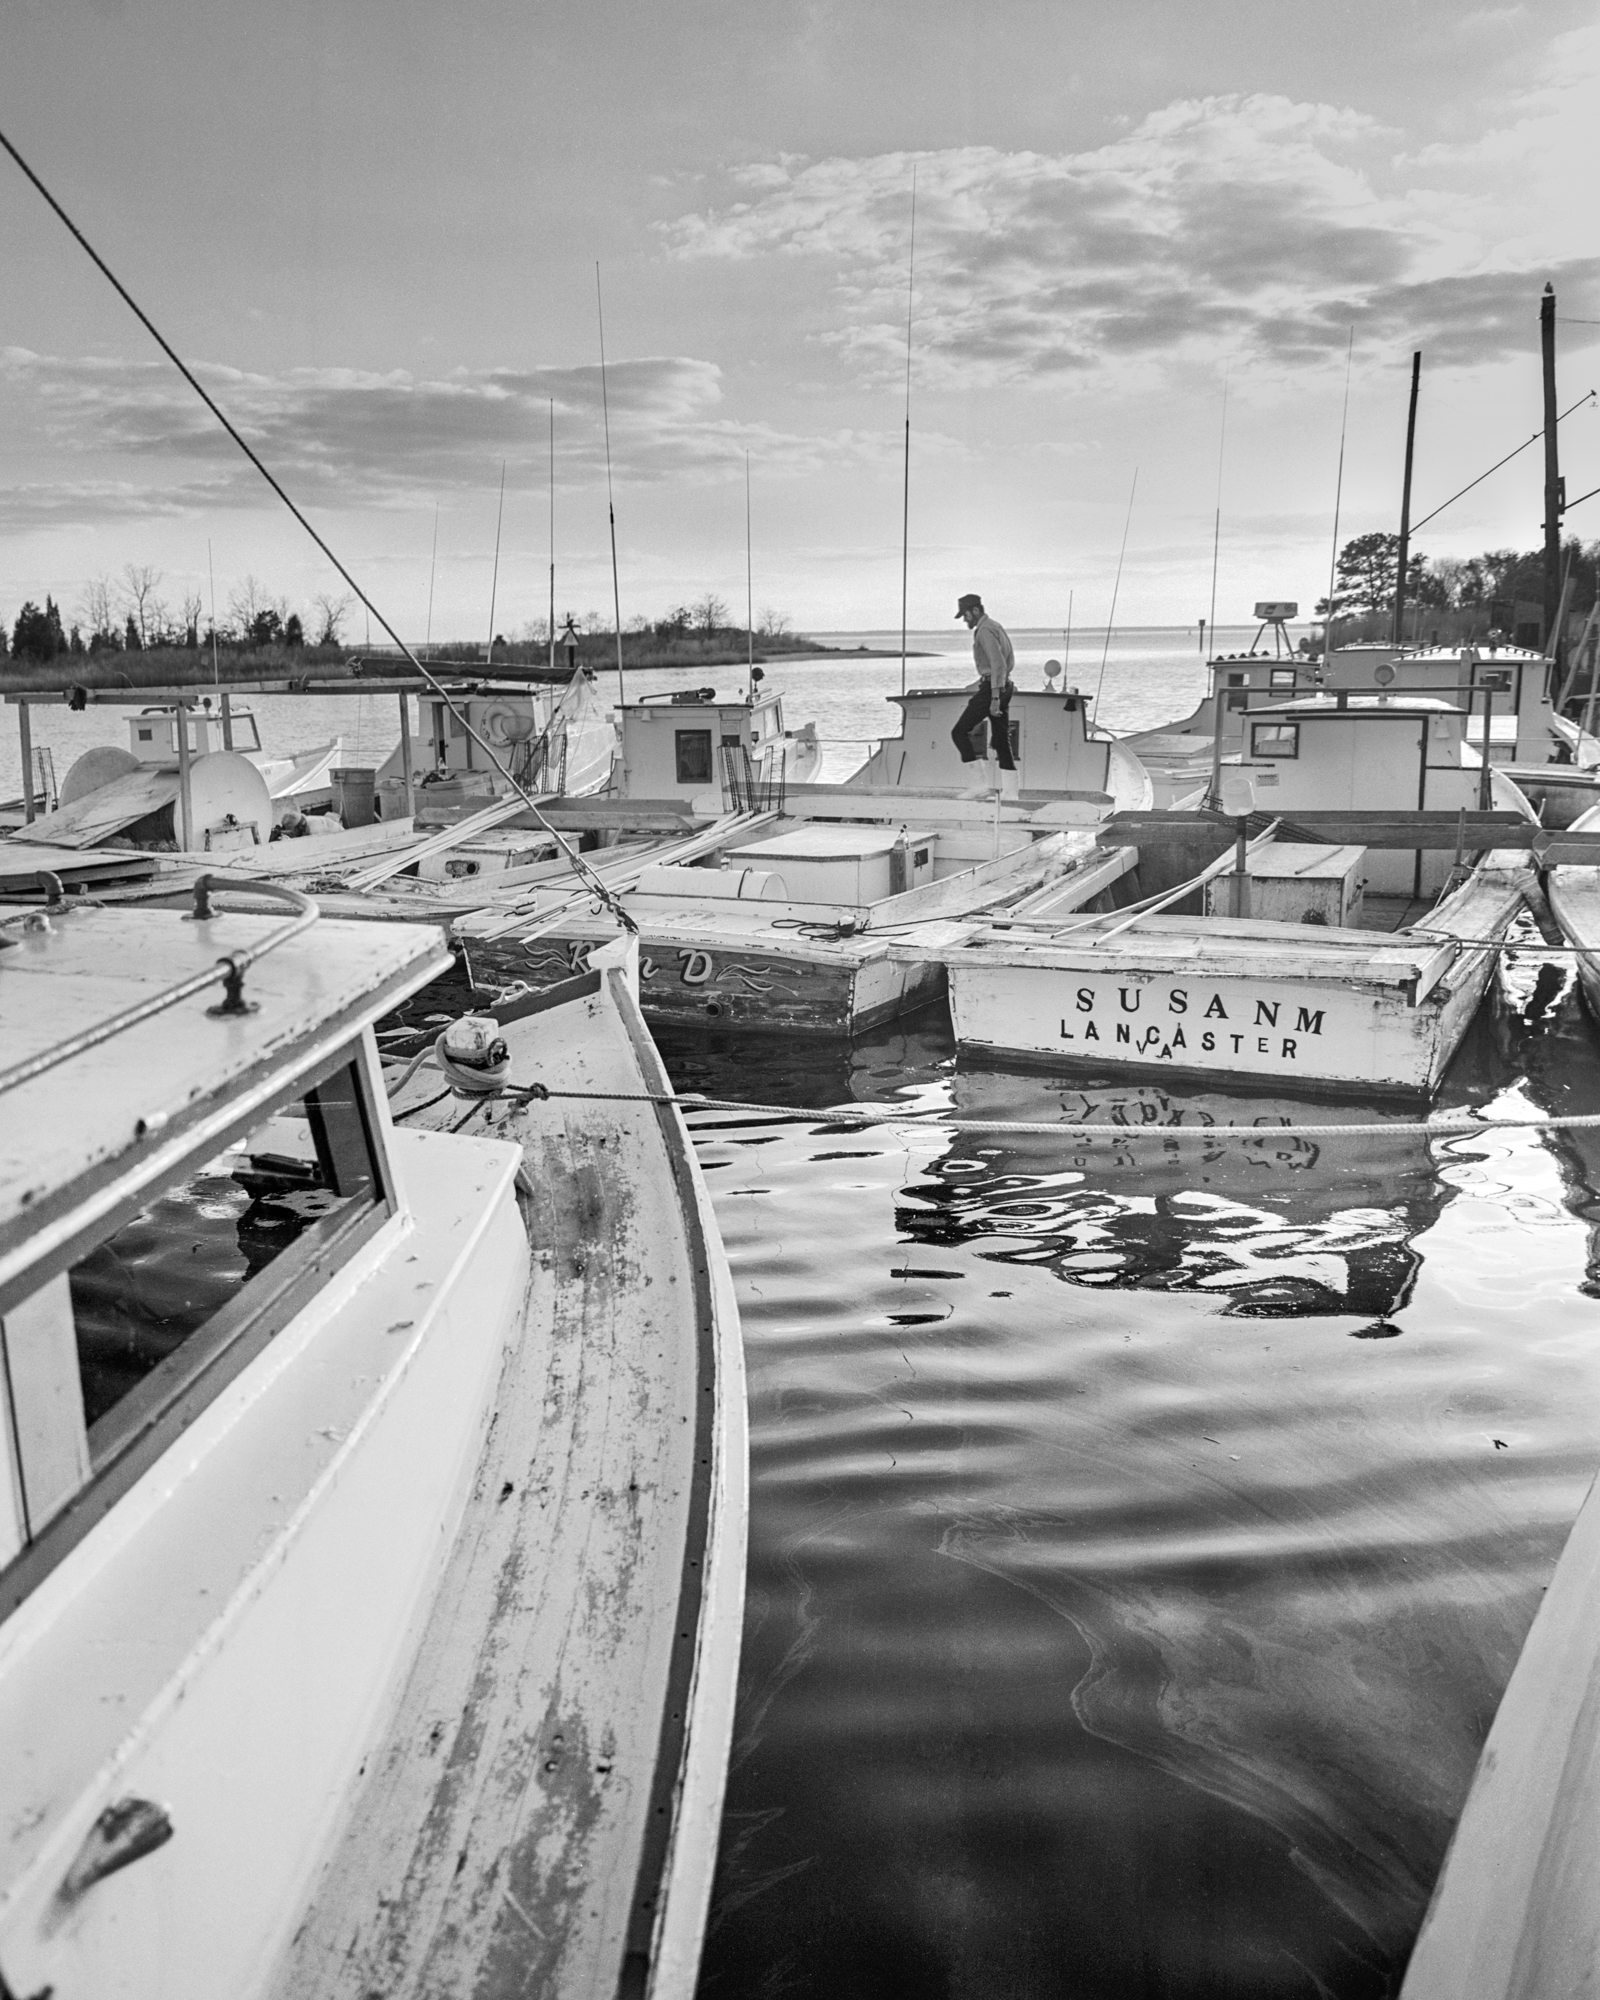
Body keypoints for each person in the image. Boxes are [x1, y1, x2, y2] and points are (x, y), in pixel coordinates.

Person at [952, 593, 1018, 800]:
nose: (965, 620)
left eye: (966, 615)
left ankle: (978, 786)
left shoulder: (985, 631)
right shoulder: (995, 626)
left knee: (959, 732)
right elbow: (1006, 663)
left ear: (975, 610)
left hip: (993, 689)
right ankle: (1011, 793)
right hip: (1003, 685)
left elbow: (998, 665)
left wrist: (994, 697)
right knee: (1001, 739)